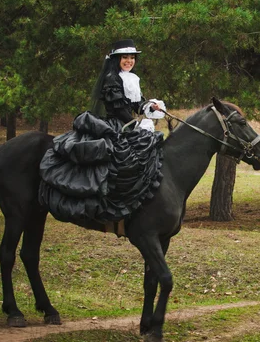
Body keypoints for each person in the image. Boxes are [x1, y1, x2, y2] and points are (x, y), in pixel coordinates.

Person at [39, 39, 166, 225]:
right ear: (116, 59)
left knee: (148, 147)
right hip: (115, 124)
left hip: (126, 122)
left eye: (132, 57)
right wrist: (135, 124)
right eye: (125, 57)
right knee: (122, 156)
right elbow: (118, 108)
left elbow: (134, 104)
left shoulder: (130, 78)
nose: (129, 61)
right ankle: (115, 200)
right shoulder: (111, 78)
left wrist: (149, 106)